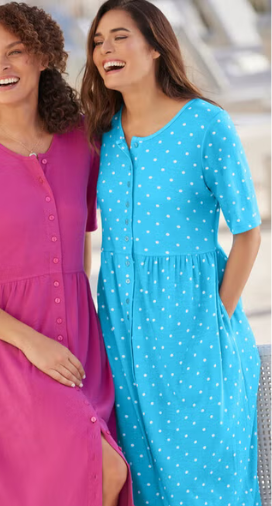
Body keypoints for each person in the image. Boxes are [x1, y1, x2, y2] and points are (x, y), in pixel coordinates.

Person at [0, 3, 132, 505]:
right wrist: (29, 342)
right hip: (4, 347)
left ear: (44, 58)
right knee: (100, 467)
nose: (0, 68)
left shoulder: (79, 140)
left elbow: (80, 240)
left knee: (109, 470)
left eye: (15, 53)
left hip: (80, 339)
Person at [81, 1, 262, 504]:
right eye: (98, 41)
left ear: (156, 46)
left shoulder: (207, 125)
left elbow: (248, 232)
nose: (105, 50)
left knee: (210, 485)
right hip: (124, 338)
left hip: (197, 333)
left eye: (119, 36)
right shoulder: (104, 135)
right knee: (148, 486)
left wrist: (217, 319)